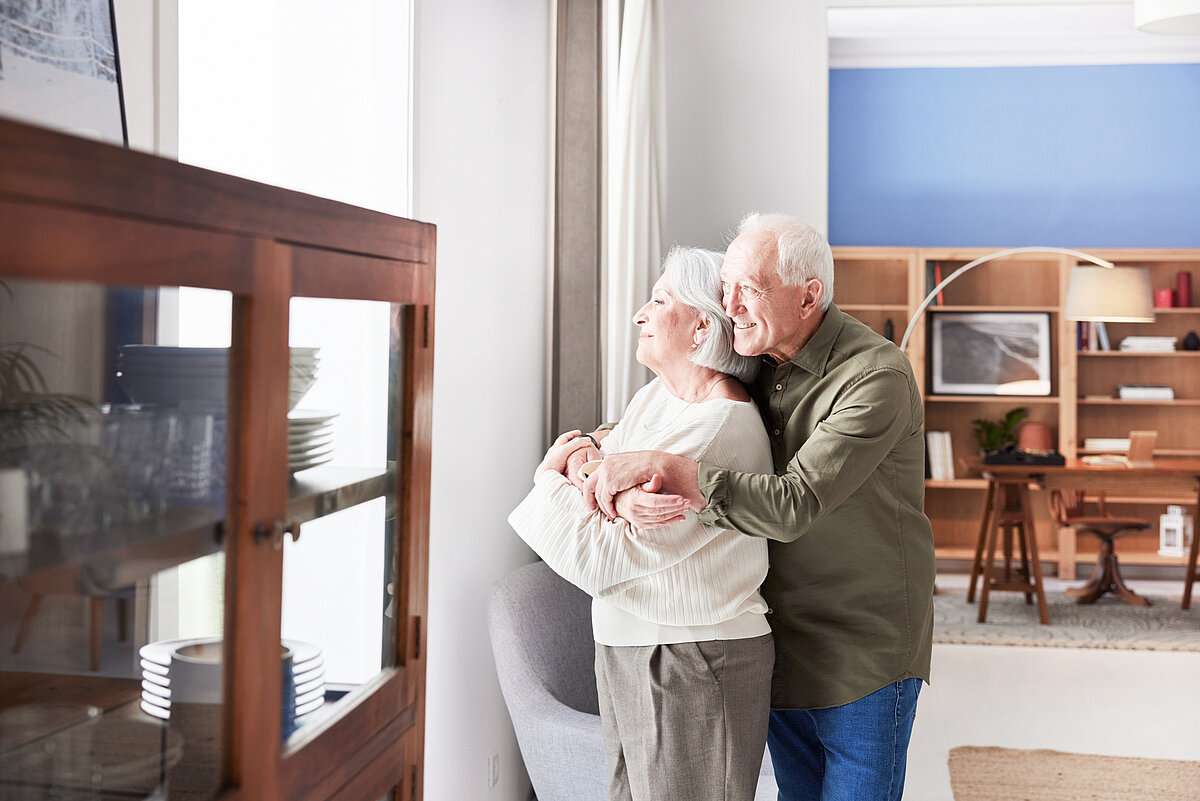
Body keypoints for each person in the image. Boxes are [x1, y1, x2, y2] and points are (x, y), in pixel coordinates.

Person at [582, 213, 936, 801]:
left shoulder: (875, 377)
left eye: (749, 287)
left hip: (861, 649)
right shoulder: (755, 363)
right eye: (725, 287)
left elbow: (796, 503)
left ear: (809, 296)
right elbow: (672, 417)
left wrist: (673, 472)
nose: (731, 304)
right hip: (775, 637)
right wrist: (593, 452)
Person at [508, 245, 775, 801]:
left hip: (692, 656)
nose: (640, 314)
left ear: (702, 325)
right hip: (629, 645)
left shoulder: (722, 426)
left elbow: (606, 557)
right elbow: (596, 453)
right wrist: (593, 469)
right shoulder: (658, 398)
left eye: (659, 300)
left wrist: (550, 478)